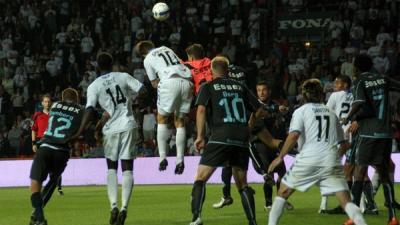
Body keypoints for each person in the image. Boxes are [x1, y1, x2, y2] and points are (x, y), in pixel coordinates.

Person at [267, 79, 367, 225]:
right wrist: (333, 157)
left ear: (304, 95)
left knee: (282, 192)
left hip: (308, 158)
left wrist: (280, 157)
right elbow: (345, 144)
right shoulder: (331, 112)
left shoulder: (301, 111)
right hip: (330, 159)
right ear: (321, 94)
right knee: (346, 201)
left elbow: (294, 135)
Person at [189, 56, 263, 225]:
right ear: (228, 70)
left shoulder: (207, 86)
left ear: (210, 70)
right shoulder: (240, 86)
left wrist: (200, 135)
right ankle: (252, 222)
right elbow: (259, 110)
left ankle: (196, 217)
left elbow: (200, 110)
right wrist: (248, 127)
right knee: (243, 184)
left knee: (200, 178)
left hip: (220, 136)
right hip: (241, 138)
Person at [73, 52, 145, 225]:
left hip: (110, 129)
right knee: (127, 168)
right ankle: (124, 208)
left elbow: (89, 110)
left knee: (111, 168)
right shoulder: (123, 76)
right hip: (128, 125)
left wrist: (79, 131)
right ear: (113, 63)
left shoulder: (94, 85)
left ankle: (113, 205)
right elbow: (143, 90)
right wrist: (135, 103)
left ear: (97, 66)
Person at [212, 81, 293, 211]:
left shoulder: (275, 105)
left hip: (272, 143)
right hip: (259, 145)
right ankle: (268, 204)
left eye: (264, 90)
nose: (261, 93)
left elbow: (280, 122)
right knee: (269, 173)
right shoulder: (254, 105)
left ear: (269, 91)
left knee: (282, 174)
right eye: (259, 90)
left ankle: (281, 201)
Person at [343, 54, 400, 225]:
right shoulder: (383, 78)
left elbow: (359, 102)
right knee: (384, 174)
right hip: (385, 133)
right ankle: (393, 217)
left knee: (359, 171)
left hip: (368, 133)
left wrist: (348, 117)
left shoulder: (360, 81)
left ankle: (354, 217)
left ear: (356, 67)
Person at [321, 75, 377, 215]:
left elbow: (327, 113)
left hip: (344, 136)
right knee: (355, 169)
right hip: (358, 135)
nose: (335, 85)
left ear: (346, 85)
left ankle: (349, 205)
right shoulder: (358, 96)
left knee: (348, 170)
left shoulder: (335, 95)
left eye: (338, 82)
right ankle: (369, 205)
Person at [135, 40, 193, 174]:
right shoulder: (166, 48)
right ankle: (180, 160)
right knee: (179, 121)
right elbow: (180, 62)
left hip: (168, 81)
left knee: (162, 119)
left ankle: (162, 158)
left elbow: (154, 83)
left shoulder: (147, 59)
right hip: (186, 80)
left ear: (142, 54)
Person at [28, 88, 84, 225]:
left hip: (46, 146)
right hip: (63, 151)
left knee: (36, 183)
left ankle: (39, 216)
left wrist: (35, 142)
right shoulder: (81, 109)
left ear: (62, 99)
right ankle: (37, 215)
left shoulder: (56, 106)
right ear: (76, 99)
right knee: (53, 180)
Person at [32, 94, 64, 195]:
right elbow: (33, 130)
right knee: (42, 166)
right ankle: (41, 188)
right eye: (45, 101)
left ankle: (59, 188)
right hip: (41, 142)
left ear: (52, 103)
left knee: (55, 166)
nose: (47, 103)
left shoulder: (55, 114)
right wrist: (33, 143)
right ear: (42, 103)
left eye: (49, 101)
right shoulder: (37, 115)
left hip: (53, 141)